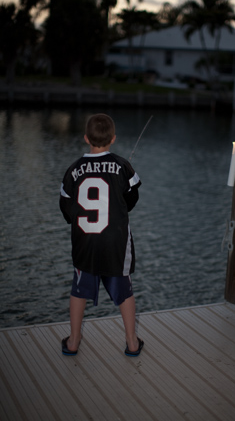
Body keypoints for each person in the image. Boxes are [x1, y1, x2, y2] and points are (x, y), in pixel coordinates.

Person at [59, 113, 143, 357]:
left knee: (79, 290)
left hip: (86, 242)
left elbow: (65, 205)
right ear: (113, 139)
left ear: (86, 138)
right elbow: (133, 196)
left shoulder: (73, 169)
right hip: (115, 241)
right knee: (124, 290)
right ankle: (132, 342)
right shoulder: (121, 165)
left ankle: (73, 341)